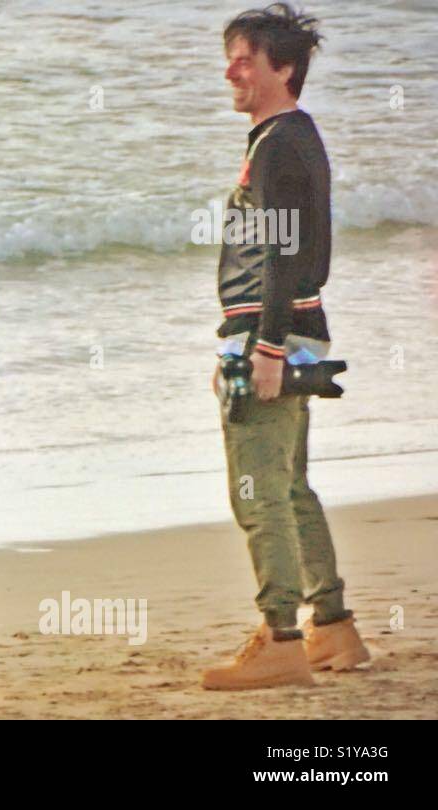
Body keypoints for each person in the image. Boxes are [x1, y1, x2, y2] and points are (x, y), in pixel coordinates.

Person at [202, 4, 369, 691]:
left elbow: (282, 251)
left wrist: (264, 349)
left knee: (259, 491)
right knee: (291, 485)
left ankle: (280, 639)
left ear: (283, 68)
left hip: (273, 334)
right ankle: (333, 628)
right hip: (296, 328)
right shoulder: (289, 137)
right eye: (231, 57)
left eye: (245, 59)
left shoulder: (278, 143)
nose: (231, 70)